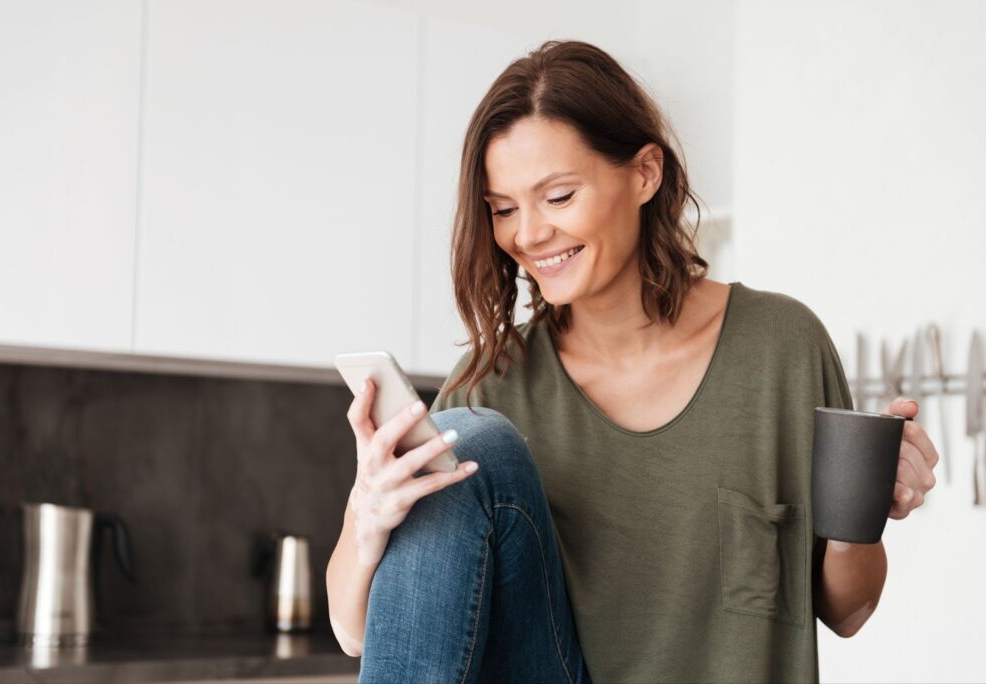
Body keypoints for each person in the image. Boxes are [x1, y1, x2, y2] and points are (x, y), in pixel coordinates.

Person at [325, 40, 940, 683]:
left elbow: (848, 611)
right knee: (474, 438)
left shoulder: (780, 349)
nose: (527, 235)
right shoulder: (493, 383)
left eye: (557, 197)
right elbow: (359, 631)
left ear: (645, 173)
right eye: (503, 209)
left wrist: (861, 510)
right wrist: (365, 519)